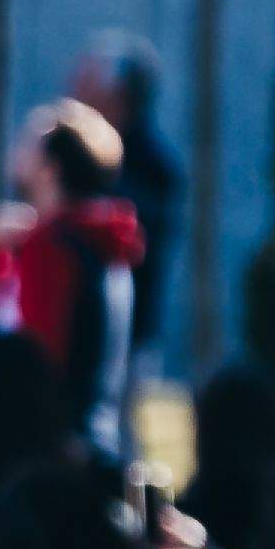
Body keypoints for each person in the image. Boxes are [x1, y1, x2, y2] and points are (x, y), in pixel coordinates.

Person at [0, 103, 145, 458]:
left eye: (27, 144)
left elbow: (34, 359)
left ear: (49, 169)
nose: (16, 150)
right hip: (90, 440)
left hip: (39, 453)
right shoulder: (102, 243)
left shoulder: (50, 248)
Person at [75, 36, 189, 369]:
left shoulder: (153, 168)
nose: (77, 97)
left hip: (127, 333)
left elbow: (139, 236)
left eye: (90, 86)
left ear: (118, 98)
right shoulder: (80, 158)